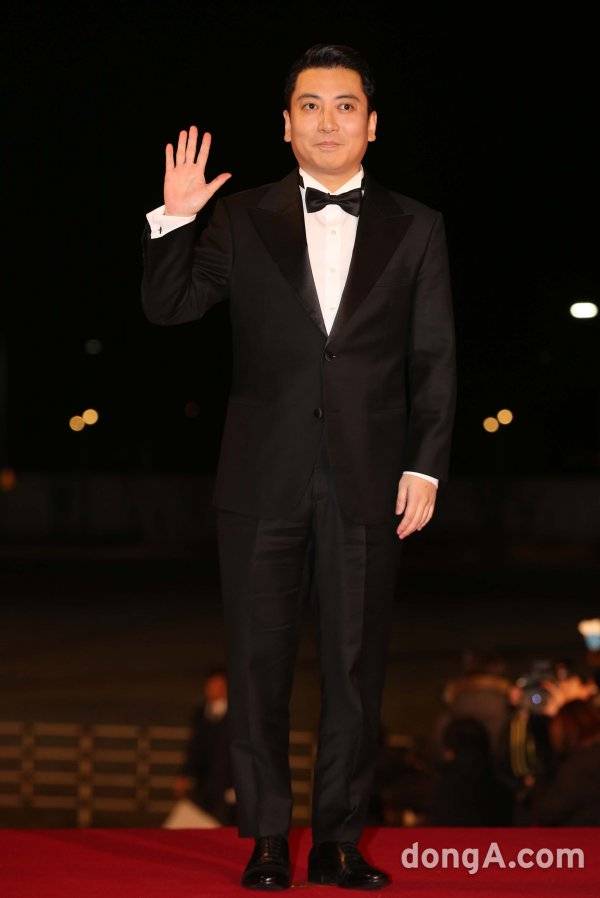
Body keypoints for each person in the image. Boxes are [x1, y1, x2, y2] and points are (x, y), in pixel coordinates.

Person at [141, 43, 457, 890]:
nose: (327, 121)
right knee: (257, 667)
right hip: (259, 478)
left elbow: (434, 358)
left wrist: (425, 466)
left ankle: (341, 841)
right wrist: (175, 221)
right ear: (286, 125)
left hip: (370, 479)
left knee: (354, 669)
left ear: (372, 124)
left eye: (345, 105)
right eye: (310, 106)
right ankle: (269, 840)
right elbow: (168, 307)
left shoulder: (417, 226)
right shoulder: (242, 218)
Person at [172, 666, 237, 826]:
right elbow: (195, 748)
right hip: (204, 786)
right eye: (211, 685)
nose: (213, 689)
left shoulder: (239, 716)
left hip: (229, 787)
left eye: (219, 685)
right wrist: (185, 774)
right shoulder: (201, 714)